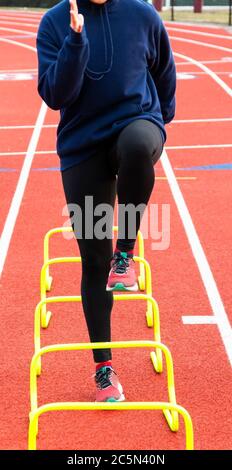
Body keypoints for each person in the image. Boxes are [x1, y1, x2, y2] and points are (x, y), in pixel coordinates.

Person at [36, 0, 176, 402]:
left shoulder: (143, 15)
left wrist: (161, 118)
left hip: (138, 124)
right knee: (92, 261)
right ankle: (104, 370)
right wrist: (76, 42)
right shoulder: (54, 23)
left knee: (136, 144)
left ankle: (126, 254)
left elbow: (165, 70)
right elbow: (56, 95)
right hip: (83, 145)